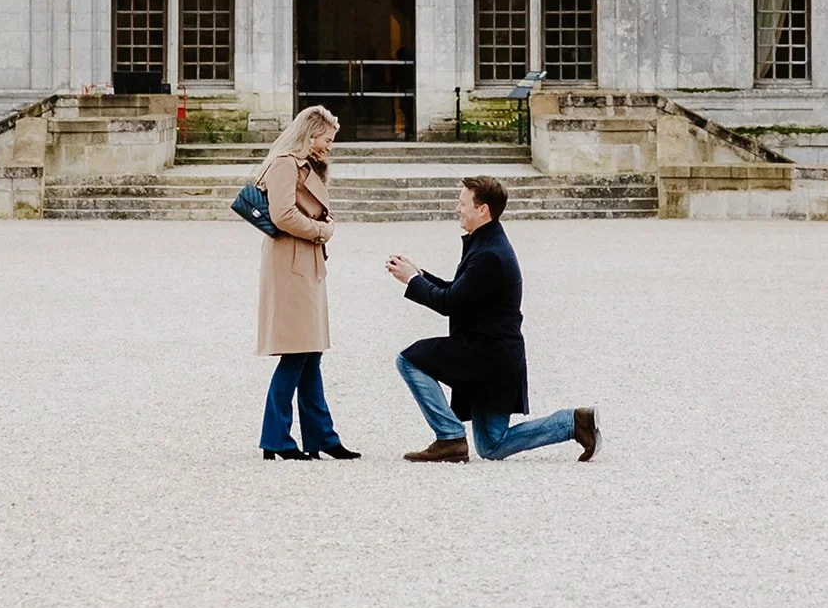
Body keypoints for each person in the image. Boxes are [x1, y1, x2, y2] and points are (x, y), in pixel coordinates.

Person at [386, 175, 600, 463]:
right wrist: (419, 275)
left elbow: (449, 303)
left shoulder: (490, 254)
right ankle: (574, 422)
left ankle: (449, 437)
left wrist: (412, 280)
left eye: (463, 203)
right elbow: (459, 292)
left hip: (486, 357)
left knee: (408, 359)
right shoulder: (487, 243)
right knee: (492, 445)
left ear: (482, 209)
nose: (457, 208)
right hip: (493, 357)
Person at [255, 104, 361, 462]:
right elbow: (282, 214)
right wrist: (320, 230)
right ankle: (276, 438)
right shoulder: (285, 164)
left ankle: (321, 436)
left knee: (310, 352)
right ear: (310, 135)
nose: (329, 146)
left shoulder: (304, 164)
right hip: (291, 263)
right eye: (326, 139)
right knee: (297, 352)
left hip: (303, 261)